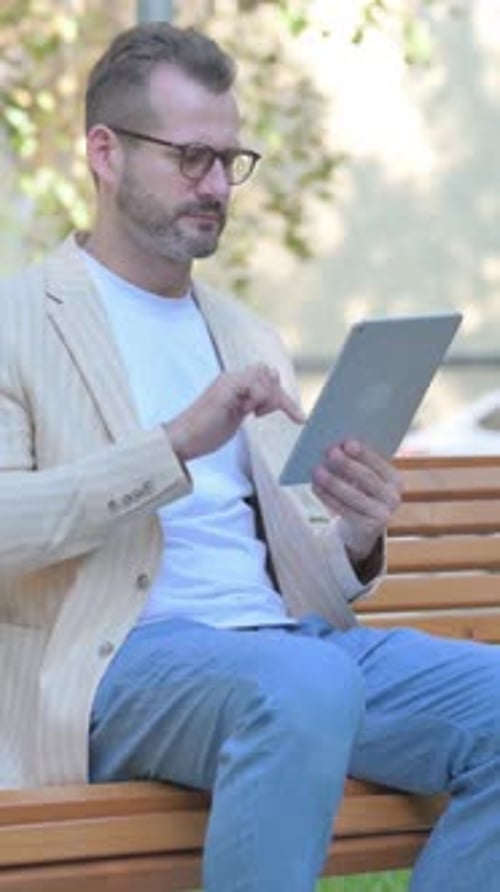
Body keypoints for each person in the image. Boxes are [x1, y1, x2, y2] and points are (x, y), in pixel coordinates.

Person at [0, 21, 498, 892]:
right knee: (303, 682)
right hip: (112, 667)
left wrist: (352, 532)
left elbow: (297, 566)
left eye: (231, 159)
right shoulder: (18, 321)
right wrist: (171, 447)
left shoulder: (244, 331)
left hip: (285, 649)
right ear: (105, 153)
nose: (218, 185)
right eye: (192, 158)